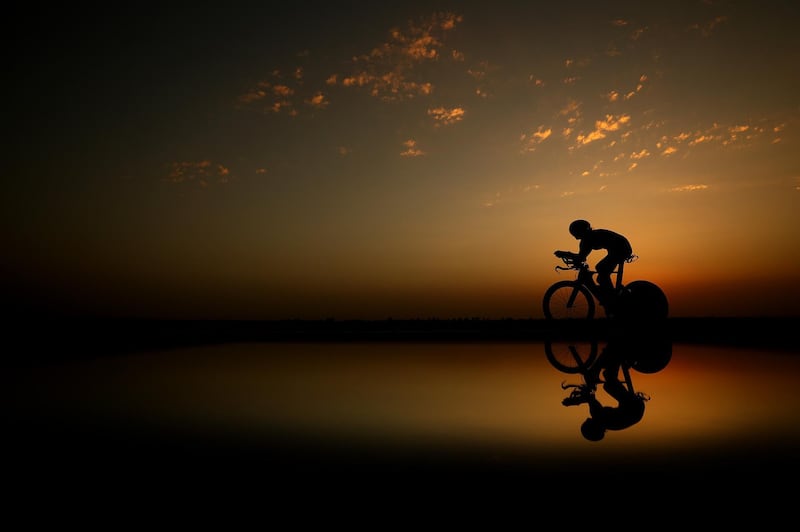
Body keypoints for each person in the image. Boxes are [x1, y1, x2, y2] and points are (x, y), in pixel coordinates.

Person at [555, 219, 632, 313]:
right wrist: (570, 255)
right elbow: (581, 257)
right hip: (620, 247)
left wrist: (566, 254)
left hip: (621, 249)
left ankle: (612, 300)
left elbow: (581, 257)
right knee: (601, 276)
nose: (574, 235)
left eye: (575, 233)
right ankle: (611, 297)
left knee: (601, 269)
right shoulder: (588, 237)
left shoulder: (588, 239)